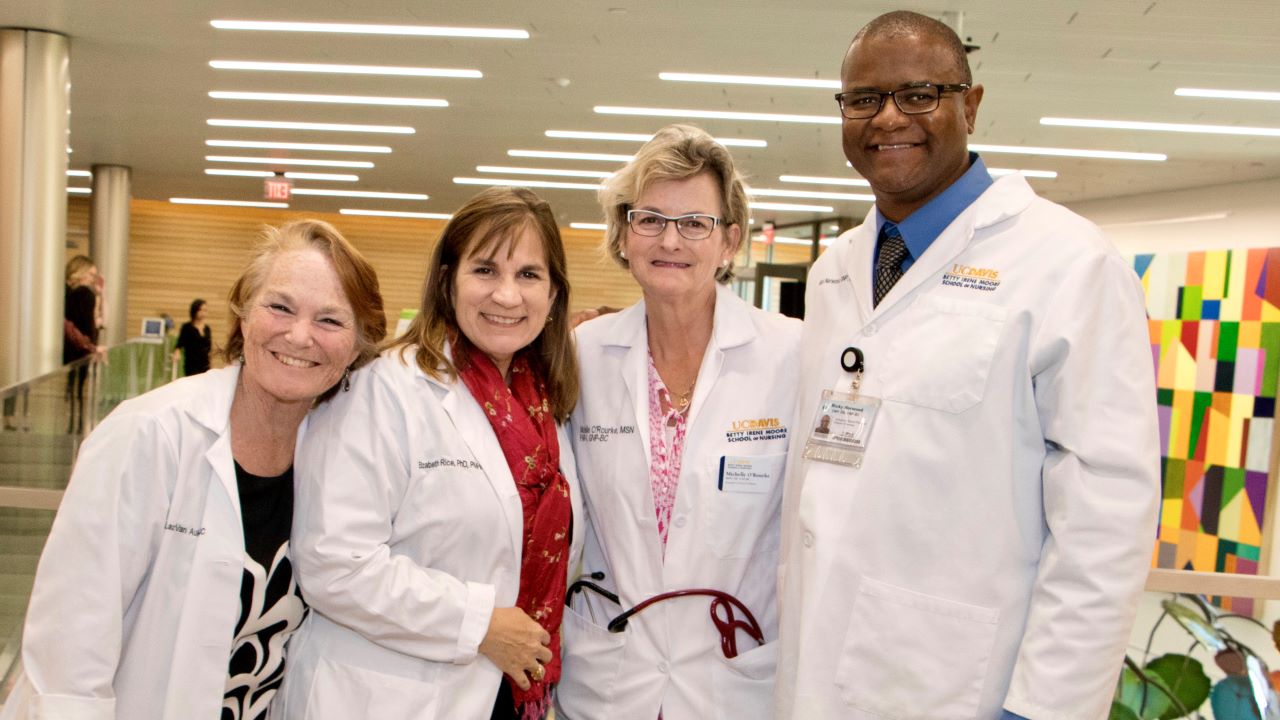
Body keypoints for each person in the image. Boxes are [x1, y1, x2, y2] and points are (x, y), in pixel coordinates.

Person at [774, 11, 1159, 720]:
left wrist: (1046, 706)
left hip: (965, 685)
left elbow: (1107, 515)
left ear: (970, 106)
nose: (889, 117)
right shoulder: (837, 269)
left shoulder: (1068, 263)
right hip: (818, 672)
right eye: (863, 99)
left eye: (919, 93)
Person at [1, 220, 386, 719]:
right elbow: (67, 649)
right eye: (280, 307)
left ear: (358, 346)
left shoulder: (343, 460)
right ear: (243, 314)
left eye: (330, 321)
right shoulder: (149, 434)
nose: (299, 335)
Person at [276, 187, 584, 720]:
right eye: (485, 270)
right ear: (447, 281)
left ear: (554, 294)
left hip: (506, 694)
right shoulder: (383, 389)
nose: (507, 296)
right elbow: (333, 563)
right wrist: (480, 623)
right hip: (385, 696)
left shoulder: (550, 407)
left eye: (528, 275)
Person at [557, 124, 801, 720]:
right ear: (623, 234)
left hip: (736, 675)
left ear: (730, 242)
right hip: (610, 676)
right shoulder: (580, 355)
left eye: (696, 223)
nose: (671, 239)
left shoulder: (795, 356)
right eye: (649, 219)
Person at [62, 255, 106, 434]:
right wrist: (92, 347)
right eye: (90, 274)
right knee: (78, 389)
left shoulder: (68, 293)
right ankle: (77, 426)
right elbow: (89, 324)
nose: (92, 278)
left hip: (72, 350)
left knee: (74, 389)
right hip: (80, 350)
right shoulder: (84, 294)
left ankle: (74, 425)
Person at [173, 298, 215, 375]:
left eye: (205, 310)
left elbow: (209, 348)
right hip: (192, 365)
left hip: (205, 365)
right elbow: (180, 343)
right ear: (194, 311)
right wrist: (177, 353)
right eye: (200, 310)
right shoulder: (187, 327)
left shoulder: (207, 329)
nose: (203, 313)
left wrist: (211, 365)